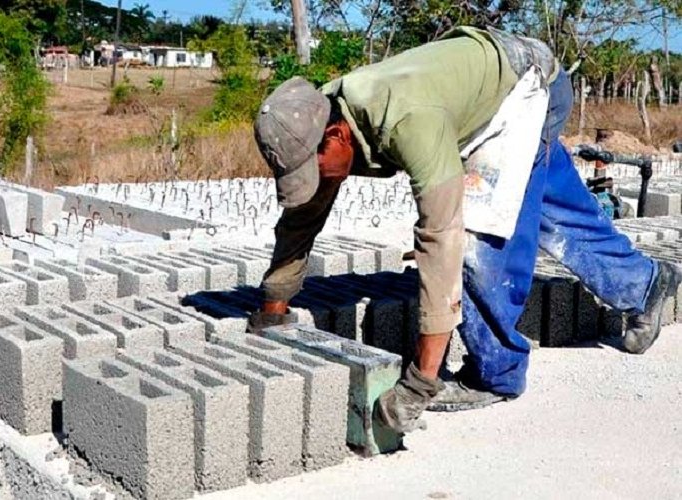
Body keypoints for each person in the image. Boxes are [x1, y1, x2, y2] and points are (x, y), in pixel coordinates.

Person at [248, 26, 682, 433]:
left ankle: (496, 373)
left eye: (314, 168)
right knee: (548, 209)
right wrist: (274, 302)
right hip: (494, 83)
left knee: (480, 236)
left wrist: (421, 381)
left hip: (526, 90)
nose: (315, 178)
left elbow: (442, 239)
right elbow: (305, 212)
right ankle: (645, 284)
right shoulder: (316, 117)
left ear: (338, 135)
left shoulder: (406, 121)